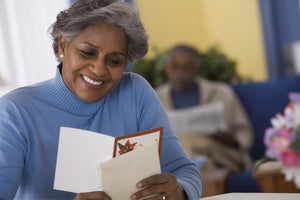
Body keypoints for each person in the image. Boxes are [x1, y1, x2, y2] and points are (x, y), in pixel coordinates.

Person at [0, 1, 202, 200]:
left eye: (114, 61)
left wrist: (180, 191)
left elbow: (184, 170)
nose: (98, 69)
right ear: (63, 45)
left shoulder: (135, 92)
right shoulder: (15, 112)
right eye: (87, 52)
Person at [156, 44, 254, 173]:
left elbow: (245, 132)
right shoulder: (155, 98)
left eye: (187, 68)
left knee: (187, 141)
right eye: (175, 67)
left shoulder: (221, 92)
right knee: (200, 161)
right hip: (196, 160)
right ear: (166, 68)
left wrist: (233, 141)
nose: (180, 73)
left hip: (223, 154)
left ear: (197, 69)